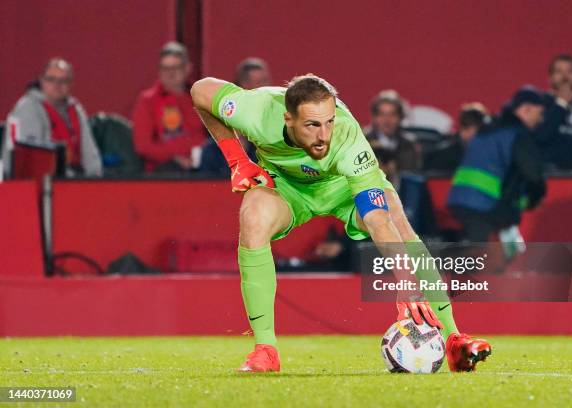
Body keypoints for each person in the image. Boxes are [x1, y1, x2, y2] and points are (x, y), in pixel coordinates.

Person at [191, 73, 490, 373]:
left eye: (329, 122)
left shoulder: (348, 139)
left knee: (395, 215)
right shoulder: (257, 111)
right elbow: (201, 91)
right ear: (288, 118)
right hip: (285, 187)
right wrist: (237, 160)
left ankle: (452, 339)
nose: (324, 135)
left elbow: (376, 218)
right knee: (252, 215)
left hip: (342, 188)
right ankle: (266, 350)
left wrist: (406, 282)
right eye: (312, 125)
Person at [447, 86, 547, 242]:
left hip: (462, 200)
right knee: (487, 259)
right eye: (539, 113)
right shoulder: (517, 134)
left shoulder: (490, 128)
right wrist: (537, 196)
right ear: (526, 110)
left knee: (480, 255)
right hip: (485, 206)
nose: (540, 120)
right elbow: (532, 173)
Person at [2, 58, 102, 177]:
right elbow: (31, 161)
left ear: (71, 84)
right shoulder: (27, 108)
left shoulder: (76, 109)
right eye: (51, 79)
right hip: (40, 181)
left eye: (63, 80)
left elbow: (90, 154)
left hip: (73, 178)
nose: (57, 85)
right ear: (42, 81)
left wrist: (95, 178)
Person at [132, 42, 204, 172]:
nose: (170, 74)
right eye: (165, 69)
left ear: (187, 68)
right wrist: (174, 157)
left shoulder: (200, 96)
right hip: (167, 169)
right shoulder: (148, 100)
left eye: (176, 68)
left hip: (203, 165)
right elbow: (143, 146)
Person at [364, 90, 422, 178]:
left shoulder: (409, 144)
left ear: (400, 118)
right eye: (381, 114)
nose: (387, 120)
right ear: (374, 118)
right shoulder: (363, 141)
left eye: (392, 114)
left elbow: (412, 175)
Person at [425, 103, 491, 171]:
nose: (485, 135)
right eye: (481, 130)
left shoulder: (491, 155)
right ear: (463, 130)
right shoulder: (443, 156)